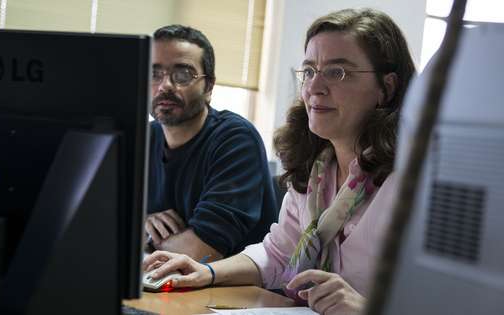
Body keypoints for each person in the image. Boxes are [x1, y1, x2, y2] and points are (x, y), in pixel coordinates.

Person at [143, 8, 416, 315]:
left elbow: (457, 299)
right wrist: (206, 273)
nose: (314, 87)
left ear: (387, 87)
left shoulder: (414, 183)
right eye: (310, 71)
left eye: (337, 72)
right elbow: (277, 253)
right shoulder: (316, 170)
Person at [146, 24, 279, 262]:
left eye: (183, 74)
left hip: (236, 294)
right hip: (170, 287)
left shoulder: (236, 139)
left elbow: (201, 252)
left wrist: (146, 236)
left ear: (208, 87)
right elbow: (102, 225)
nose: (164, 85)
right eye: (154, 74)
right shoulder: (144, 138)